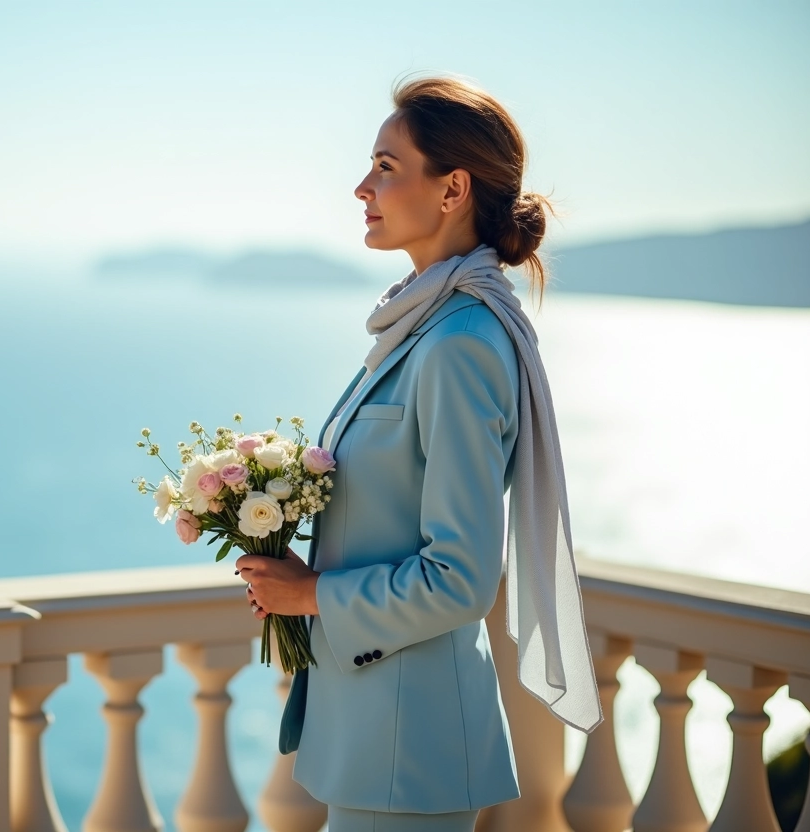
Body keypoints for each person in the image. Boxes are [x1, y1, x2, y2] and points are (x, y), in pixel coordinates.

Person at [234, 74, 603, 832]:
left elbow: (461, 578)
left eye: (386, 166)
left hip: (411, 751)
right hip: (376, 739)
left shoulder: (458, 346)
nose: (361, 186)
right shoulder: (420, 330)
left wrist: (310, 597)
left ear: (452, 189)